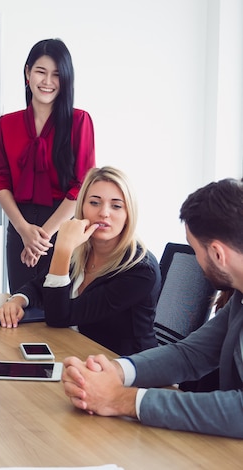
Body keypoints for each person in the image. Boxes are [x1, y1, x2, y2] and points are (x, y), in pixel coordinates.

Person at [62, 178, 243, 438]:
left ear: (217, 254)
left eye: (195, 250)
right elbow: (190, 355)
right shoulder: (239, 296)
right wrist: (116, 370)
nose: (197, 263)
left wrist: (121, 399)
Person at [0, 167, 160, 356]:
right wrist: (17, 301)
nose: (104, 213)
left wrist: (62, 248)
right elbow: (38, 286)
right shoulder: (82, 250)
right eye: (94, 203)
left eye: (116, 206)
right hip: (76, 353)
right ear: (82, 207)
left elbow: (60, 316)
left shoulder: (141, 270)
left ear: (129, 213)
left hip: (122, 367)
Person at [0, 38, 96, 294]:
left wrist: (41, 238)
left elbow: (82, 185)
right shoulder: (6, 124)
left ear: (66, 79)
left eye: (56, 74)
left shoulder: (79, 121)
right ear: (27, 73)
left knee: (58, 313)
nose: (47, 82)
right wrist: (24, 230)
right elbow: (0, 180)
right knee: (18, 308)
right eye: (40, 72)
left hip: (62, 228)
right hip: (19, 226)